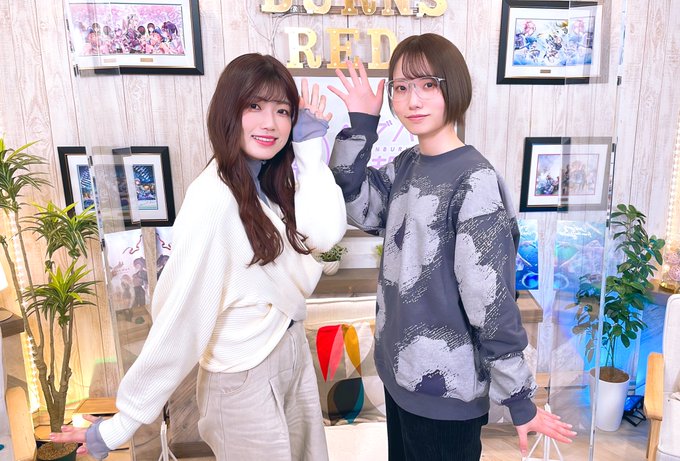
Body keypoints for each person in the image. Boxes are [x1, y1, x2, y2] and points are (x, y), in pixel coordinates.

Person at [51, 53, 347, 460]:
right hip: (245, 374)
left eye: (282, 111)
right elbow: (181, 315)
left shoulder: (270, 186)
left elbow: (325, 238)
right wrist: (121, 424)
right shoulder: (213, 199)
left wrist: (311, 149)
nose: (270, 123)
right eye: (255, 106)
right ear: (228, 111)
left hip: (289, 355)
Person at [327, 34, 576, 460]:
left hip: (445, 392)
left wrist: (519, 398)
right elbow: (357, 204)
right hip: (401, 379)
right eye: (401, 87)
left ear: (454, 88)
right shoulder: (408, 163)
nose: (413, 99)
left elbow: (490, 299)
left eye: (428, 84)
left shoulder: (474, 180)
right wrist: (362, 124)